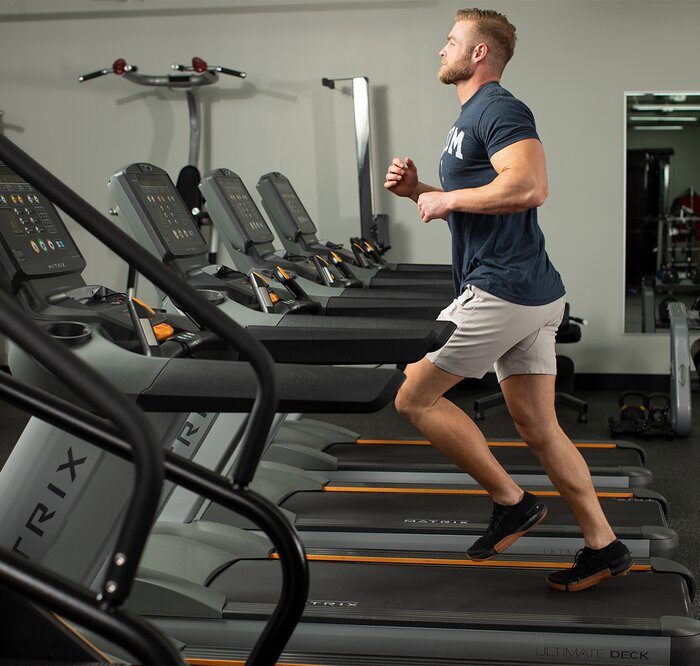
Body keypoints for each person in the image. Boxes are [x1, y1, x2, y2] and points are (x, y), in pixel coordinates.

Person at [384, 7, 632, 592]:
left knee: (413, 398)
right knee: (540, 427)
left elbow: (529, 186)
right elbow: (486, 191)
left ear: (479, 55)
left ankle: (512, 501)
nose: (441, 49)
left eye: (451, 41)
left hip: (502, 288)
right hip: (533, 292)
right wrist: (421, 190)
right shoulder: (471, 116)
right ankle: (604, 545)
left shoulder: (499, 107)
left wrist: (446, 201)